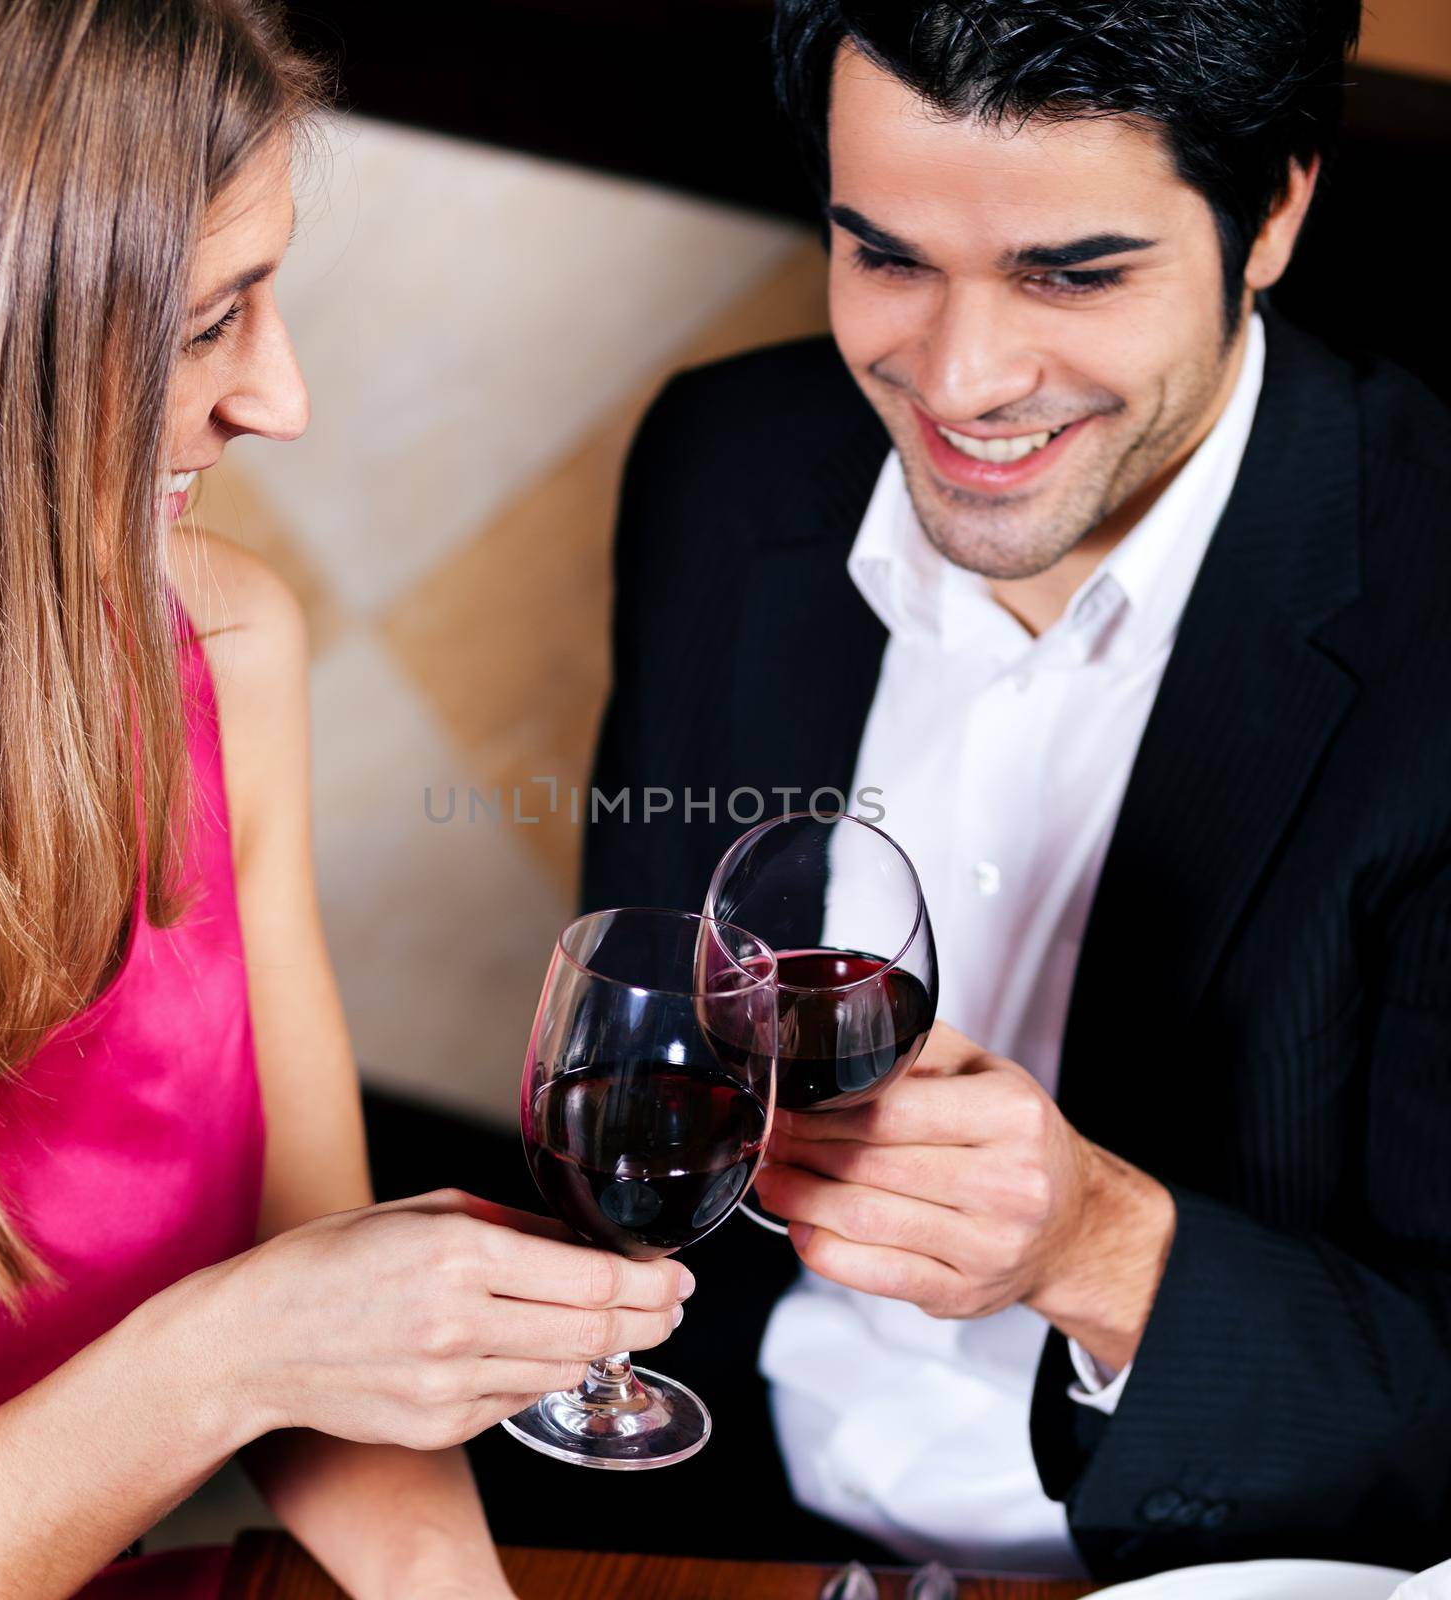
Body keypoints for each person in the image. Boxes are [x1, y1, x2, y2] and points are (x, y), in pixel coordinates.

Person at [575, 0, 1451, 1583]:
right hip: (706, 1531)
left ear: (1278, 211)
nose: (962, 381)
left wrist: (1095, 1243)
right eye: (889, 257)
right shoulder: (726, 466)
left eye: (1073, 272)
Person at [0, 4, 690, 1596]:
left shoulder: (224, 649)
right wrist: (224, 1364)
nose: (282, 399)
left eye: (267, 298)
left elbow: (328, 1343)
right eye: (203, 327)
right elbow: (267, 1345)